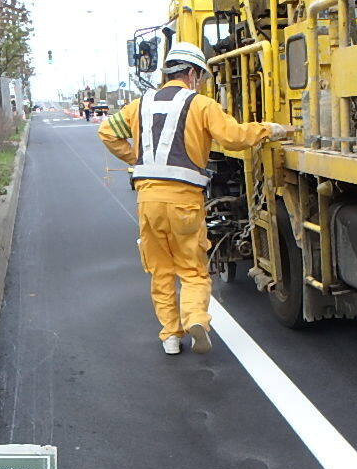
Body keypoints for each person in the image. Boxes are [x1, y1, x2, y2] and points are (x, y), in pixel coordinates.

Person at [98, 41, 291, 355]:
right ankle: (196, 318)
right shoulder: (201, 104)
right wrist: (269, 129)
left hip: (148, 201)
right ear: (191, 73)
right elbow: (234, 138)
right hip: (185, 202)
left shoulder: (140, 104)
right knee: (192, 269)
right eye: (200, 76)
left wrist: (137, 158)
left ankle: (170, 337)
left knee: (160, 271)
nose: (200, 82)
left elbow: (107, 131)